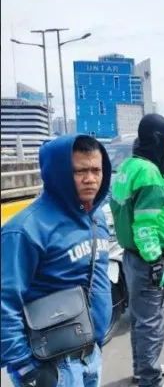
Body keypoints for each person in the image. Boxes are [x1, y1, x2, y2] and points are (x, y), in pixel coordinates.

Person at [2, 135, 112, 386]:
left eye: (96, 170)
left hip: (90, 354)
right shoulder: (26, 229)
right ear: (59, 173)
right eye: (80, 171)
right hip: (51, 366)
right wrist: (26, 368)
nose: (91, 179)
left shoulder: (96, 219)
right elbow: (4, 302)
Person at [110, 114, 164, 387]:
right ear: (157, 140)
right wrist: (155, 263)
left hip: (131, 256)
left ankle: (144, 370)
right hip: (146, 258)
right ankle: (150, 380)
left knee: (142, 321)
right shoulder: (150, 174)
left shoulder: (129, 166)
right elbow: (145, 226)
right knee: (152, 323)